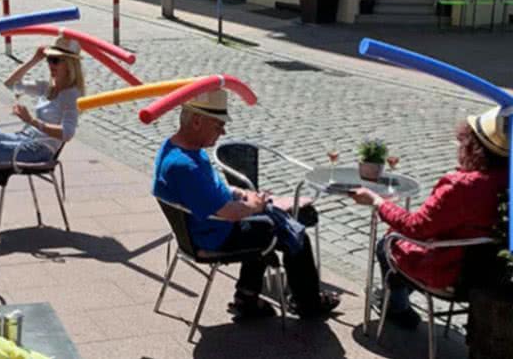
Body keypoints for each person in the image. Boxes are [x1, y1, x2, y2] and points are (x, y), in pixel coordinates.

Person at [152, 90, 340, 319]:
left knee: (281, 219)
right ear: (197, 121)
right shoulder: (184, 166)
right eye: (219, 125)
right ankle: (308, 304)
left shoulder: (177, 149)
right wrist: (257, 206)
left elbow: (213, 190)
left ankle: (247, 297)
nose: (223, 131)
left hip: (203, 229)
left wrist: (242, 194)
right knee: (293, 232)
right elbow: (229, 213)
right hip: (214, 237)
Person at [350, 107, 509, 329]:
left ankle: (398, 307)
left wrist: (377, 202)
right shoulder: (504, 179)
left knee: (387, 242)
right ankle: (397, 293)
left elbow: (416, 227)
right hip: (490, 274)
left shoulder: (462, 186)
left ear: (473, 146)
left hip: (450, 272)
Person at [0, 36, 84, 166]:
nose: (50, 65)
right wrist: (35, 59)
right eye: (49, 59)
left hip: (40, 149)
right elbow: (11, 84)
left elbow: (67, 133)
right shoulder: (47, 87)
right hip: (25, 137)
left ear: (69, 64)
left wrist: (32, 121)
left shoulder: (71, 95)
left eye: (55, 60)